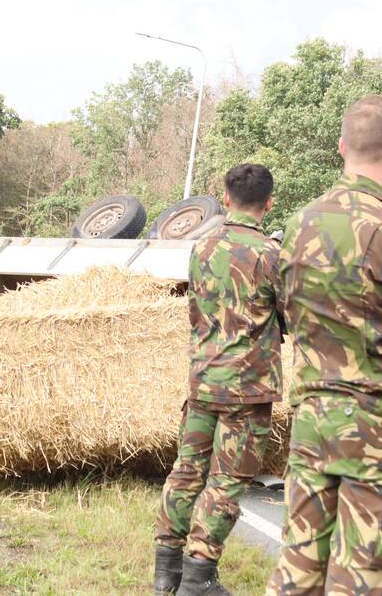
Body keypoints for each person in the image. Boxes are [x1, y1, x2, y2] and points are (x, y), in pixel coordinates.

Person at [266, 95, 382, 595]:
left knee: (299, 562)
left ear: (341, 147)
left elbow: (285, 310)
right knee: (361, 572)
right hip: (371, 419)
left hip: (312, 413)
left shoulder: (299, 223)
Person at [154, 164, 283, 596]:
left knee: (186, 472)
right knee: (226, 481)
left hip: (203, 380)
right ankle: (198, 577)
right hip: (246, 389)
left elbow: (196, 309)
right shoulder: (271, 255)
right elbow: (291, 316)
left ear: (226, 198)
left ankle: (165, 572)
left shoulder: (202, 246)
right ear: (269, 203)